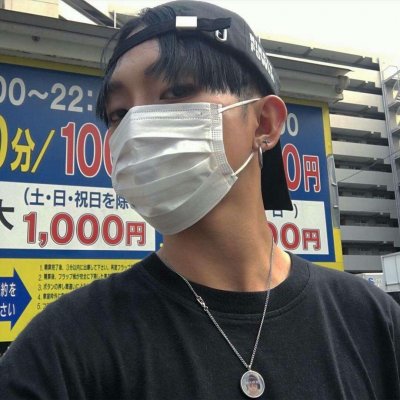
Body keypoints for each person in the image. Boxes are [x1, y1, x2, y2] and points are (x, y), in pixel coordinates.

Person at [1, 1, 400, 399]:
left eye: (176, 91)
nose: (137, 127)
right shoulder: (61, 349)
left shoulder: (371, 320)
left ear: (264, 123)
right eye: (119, 113)